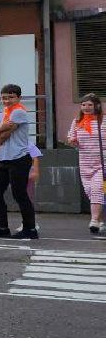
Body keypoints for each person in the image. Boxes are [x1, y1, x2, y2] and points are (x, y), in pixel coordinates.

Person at [0, 84, 38, 240]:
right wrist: (1, 128)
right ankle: (1, 227)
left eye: (11, 97)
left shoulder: (19, 112)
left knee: (19, 193)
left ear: (18, 98)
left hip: (19, 158)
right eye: (4, 97)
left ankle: (30, 228)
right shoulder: (1, 116)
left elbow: (4, 136)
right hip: (4, 158)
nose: (7, 100)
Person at [65, 92, 105, 234]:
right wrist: (72, 141)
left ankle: (94, 220)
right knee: (90, 192)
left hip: (103, 163)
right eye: (83, 104)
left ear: (97, 106)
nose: (86, 107)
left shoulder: (103, 120)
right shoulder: (77, 122)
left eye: (89, 105)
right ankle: (100, 220)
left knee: (97, 190)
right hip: (85, 163)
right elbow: (71, 138)